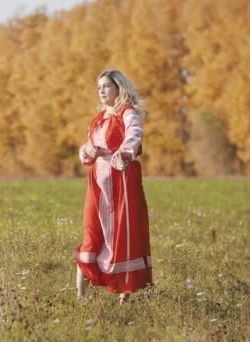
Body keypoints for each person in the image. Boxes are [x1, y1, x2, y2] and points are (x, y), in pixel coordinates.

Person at [76, 69, 152, 304]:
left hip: (122, 180)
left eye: (106, 86)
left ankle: (124, 300)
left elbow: (135, 135)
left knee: (122, 234)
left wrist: (125, 152)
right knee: (91, 231)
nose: (101, 90)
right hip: (97, 181)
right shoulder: (99, 119)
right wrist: (89, 151)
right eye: (99, 87)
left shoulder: (127, 113)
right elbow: (87, 149)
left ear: (119, 87)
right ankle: (81, 298)